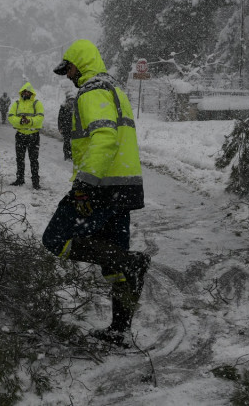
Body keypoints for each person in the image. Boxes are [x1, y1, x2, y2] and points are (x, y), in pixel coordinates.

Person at [42, 39, 149, 346]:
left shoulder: (92, 92)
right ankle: (119, 330)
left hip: (101, 187)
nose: (68, 76)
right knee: (113, 262)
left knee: (55, 238)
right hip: (124, 186)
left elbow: (105, 137)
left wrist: (84, 186)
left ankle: (132, 262)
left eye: (69, 69)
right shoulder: (116, 91)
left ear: (81, 65)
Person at [8, 83, 44, 189]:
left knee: (33, 160)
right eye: (24, 91)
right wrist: (20, 121)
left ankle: (35, 182)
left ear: (31, 93)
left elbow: (40, 118)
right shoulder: (16, 103)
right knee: (20, 159)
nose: (26, 93)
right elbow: (10, 117)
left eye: (28, 92)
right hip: (20, 135)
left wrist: (29, 121)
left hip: (33, 136)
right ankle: (20, 179)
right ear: (21, 92)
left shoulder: (37, 103)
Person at [57, 93, 75, 161]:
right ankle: (67, 156)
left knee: (74, 143)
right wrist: (60, 128)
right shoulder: (63, 107)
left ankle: (73, 155)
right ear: (67, 100)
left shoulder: (76, 107)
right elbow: (60, 118)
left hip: (74, 128)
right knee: (66, 142)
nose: (71, 102)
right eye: (70, 100)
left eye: (73, 100)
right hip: (65, 128)